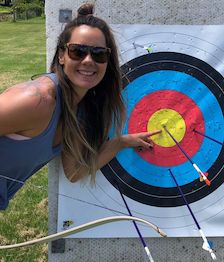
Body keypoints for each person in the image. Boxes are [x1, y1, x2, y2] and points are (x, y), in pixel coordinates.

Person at [0, 3, 160, 210]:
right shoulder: (36, 100)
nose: (88, 60)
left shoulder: (78, 110)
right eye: (77, 51)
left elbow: (74, 171)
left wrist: (121, 142)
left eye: (99, 54)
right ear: (61, 56)